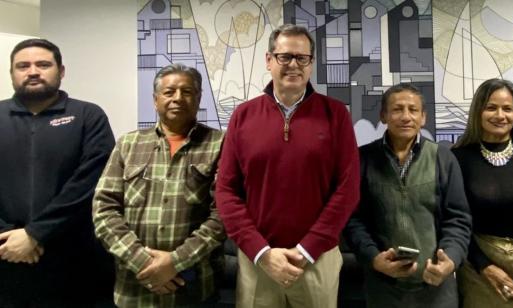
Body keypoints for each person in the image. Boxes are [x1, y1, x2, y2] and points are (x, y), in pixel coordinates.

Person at [215, 24, 360, 308]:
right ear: (269, 61)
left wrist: (307, 250)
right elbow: (226, 191)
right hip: (258, 262)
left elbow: (348, 189)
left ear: (311, 64)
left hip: (317, 262)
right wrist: (262, 253)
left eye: (301, 58)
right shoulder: (243, 116)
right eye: (285, 57)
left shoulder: (336, 115)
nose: (293, 64)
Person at [93, 63, 225, 307]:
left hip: (194, 286)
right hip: (134, 285)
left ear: (198, 99)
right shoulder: (128, 143)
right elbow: (104, 209)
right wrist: (142, 262)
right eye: (169, 92)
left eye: (187, 92)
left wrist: (175, 262)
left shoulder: (220, 143)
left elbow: (224, 215)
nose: (178, 98)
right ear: (155, 100)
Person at [0, 38, 115, 307]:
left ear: (61, 71)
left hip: (76, 262)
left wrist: (35, 233)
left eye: (43, 64)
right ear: (12, 73)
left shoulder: (88, 116)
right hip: (6, 258)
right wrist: (7, 235)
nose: (33, 71)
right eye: (23, 66)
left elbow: (91, 181)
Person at [344, 83, 472, 308]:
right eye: (397, 109)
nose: (406, 117)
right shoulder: (362, 159)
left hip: (435, 285)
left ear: (423, 117)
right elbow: (353, 220)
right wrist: (374, 258)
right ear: (383, 116)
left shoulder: (443, 158)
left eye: (413, 110)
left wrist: (449, 260)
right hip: (383, 288)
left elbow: (458, 219)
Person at [452, 78, 513, 307]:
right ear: (478, 111)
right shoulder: (457, 159)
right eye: (491, 107)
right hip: (480, 272)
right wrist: (486, 267)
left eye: (507, 108)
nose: (500, 115)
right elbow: (456, 221)